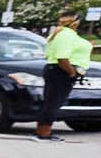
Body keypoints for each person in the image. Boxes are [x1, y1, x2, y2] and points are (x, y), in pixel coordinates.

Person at [38, 11, 91, 142]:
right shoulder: (66, 35)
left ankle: (42, 131)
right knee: (54, 103)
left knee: (51, 102)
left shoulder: (62, 33)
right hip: (61, 71)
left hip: (56, 70)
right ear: (76, 21)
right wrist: (71, 72)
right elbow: (62, 57)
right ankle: (44, 133)